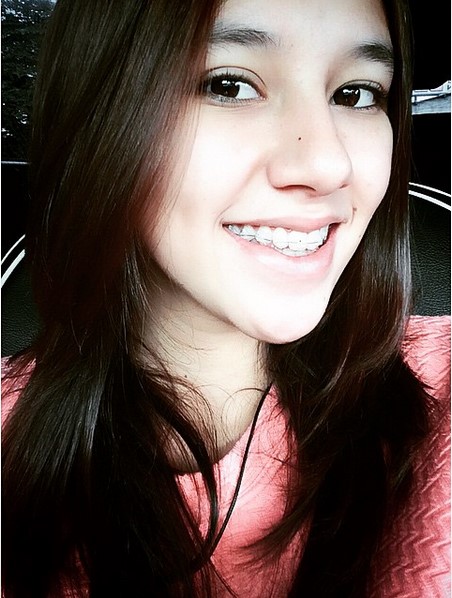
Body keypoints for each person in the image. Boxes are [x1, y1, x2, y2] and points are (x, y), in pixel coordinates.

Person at [2, 0, 450, 596]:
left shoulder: (439, 387)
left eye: (357, 94)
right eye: (229, 85)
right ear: (99, 115)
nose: (327, 164)